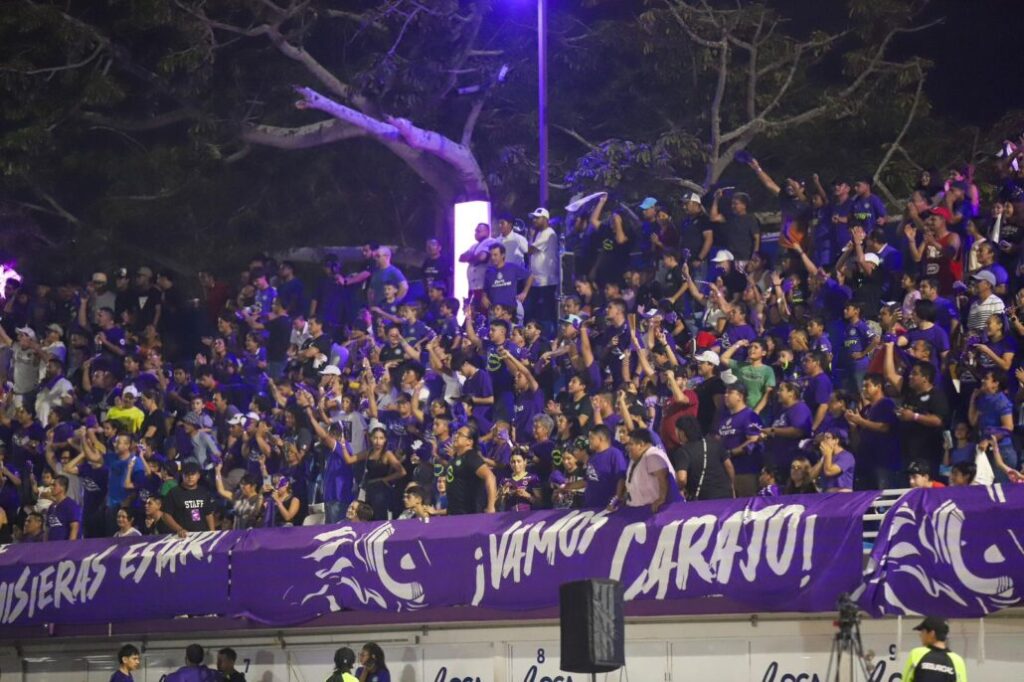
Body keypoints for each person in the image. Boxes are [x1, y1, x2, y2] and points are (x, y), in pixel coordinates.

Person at [617, 428, 683, 511]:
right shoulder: (635, 458)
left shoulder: (653, 455)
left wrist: (661, 498)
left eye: (630, 444)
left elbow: (663, 477)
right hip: (640, 510)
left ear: (641, 444)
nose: (627, 447)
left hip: (660, 511)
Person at [671, 416, 734, 500]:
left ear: (682, 432)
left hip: (703, 499)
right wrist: (732, 485)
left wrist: (680, 489)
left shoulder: (683, 452)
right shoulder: (714, 444)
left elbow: (682, 478)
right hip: (725, 494)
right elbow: (729, 466)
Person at [901, 616, 967, 682]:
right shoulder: (957, 660)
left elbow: (905, 680)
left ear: (932, 633)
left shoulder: (917, 654)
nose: (920, 635)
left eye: (923, 631)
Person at [162, 461, 216, 537]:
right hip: (183, 537)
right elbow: (166, 515)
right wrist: (179, 529)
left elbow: (209, 514)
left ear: (198, 475)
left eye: (193, 474)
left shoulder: (203, 492)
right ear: (182, 475)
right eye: (187, 474)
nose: (190, 477)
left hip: (203, 535)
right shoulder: (174, 492)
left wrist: (212, 532)